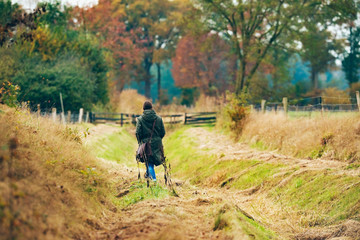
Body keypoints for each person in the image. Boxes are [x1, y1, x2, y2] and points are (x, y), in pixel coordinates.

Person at [135, 101, 166, 182]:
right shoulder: (159, 119)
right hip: (157, 143)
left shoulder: (140, 119)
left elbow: (137, 133)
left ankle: (154, 180)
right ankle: (149, 176)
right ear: (152, 108)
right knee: (151, 162)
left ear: (143, 109)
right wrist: (158, 139)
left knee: (149, 162)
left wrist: (140, 142)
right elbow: (163, 132)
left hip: (145, 143)